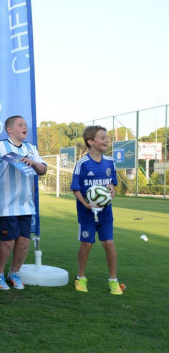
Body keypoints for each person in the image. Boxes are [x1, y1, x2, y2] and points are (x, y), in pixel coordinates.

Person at [0, 115, 47, 290]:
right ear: (9, 129)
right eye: (20, 125)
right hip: (5, 204)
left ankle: (14, 273)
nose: (24, 127)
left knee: (24, 241)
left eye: (25, 125)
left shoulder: (30, 148)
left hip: (25, 204)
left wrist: (33, 163)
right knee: (8, 241)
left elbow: (43, 169)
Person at [71, 125, 123, 295]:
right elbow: (76, 188)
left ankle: (113, 281)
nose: (107, 140)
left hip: (106, 212)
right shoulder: (82, 163)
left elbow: (112, 183)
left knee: (109, 243)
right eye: (102, 137)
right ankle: (80, 278)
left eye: (107, 137)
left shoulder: (110, 162)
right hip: (87, 213)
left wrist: (112, 188)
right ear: (91, 141)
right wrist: (86, 204)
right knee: (87, 244)